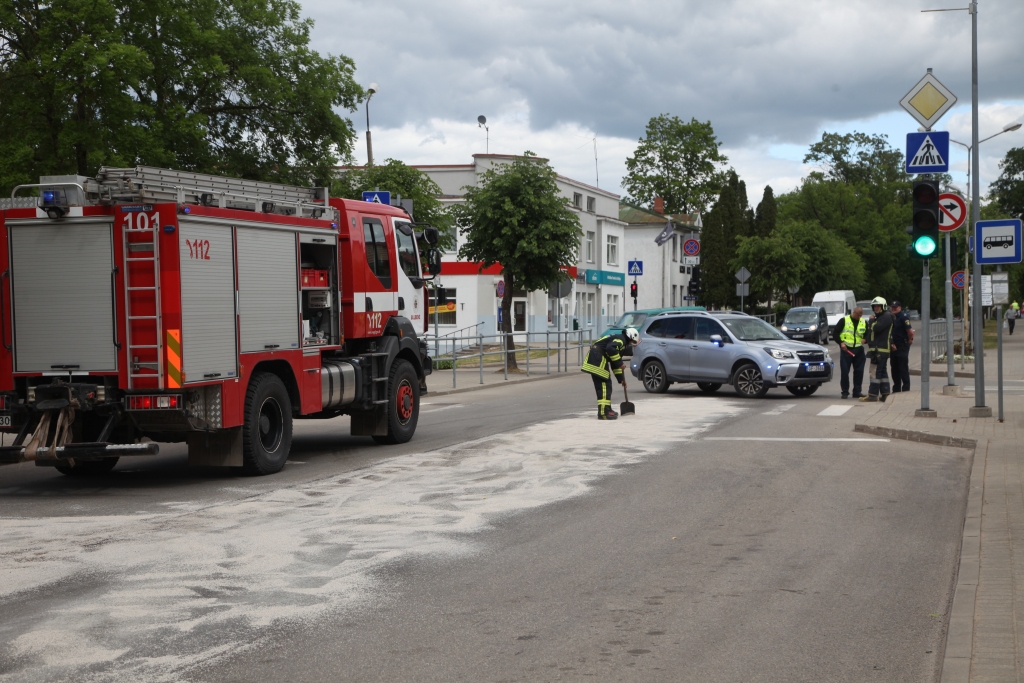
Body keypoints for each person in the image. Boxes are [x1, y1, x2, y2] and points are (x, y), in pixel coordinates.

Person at [582, 326, 639, 420]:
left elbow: (614, 363)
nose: (630, 344)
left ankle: (607, 409)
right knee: (604, 385)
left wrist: (621, 379)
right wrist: (620, 363)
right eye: (632, 342)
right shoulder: (621, 340)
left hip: (596, 358)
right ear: (630, 337)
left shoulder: (618, 341)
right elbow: (610, 349)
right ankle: (603, 413)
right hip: (597, 359)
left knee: (606, 385)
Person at [861, 297, 894, 402]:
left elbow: (877, 328)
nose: (876, 308)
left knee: (874, 372)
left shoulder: (885, 317)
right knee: (882, 372)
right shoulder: (881, 317)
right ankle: (885, 394)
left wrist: (871, 321)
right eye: (875, 306)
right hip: (879, 349)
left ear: (883, 306)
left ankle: (873, 394)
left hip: (879, 350)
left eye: (878, 306)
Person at [832, 306, 866, 399]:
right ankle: (845, 392)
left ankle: (857, 391)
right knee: (845, 371)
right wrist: (841, 343)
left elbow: (868, 333)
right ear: (854, 312)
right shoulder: (844, 320)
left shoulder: (863, 322)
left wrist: (865, 339)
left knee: (859, 371)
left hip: (859, 349)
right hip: (846, 350)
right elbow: (835, 333)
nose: (859, 317)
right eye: (858, 315)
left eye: (861, 315)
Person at [889, 300, 915, 392]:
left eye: (895, 307)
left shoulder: (903, 317)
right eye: (892, 307)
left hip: (902, 345)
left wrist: (910, 340)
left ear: (900, 308)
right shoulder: (891, 317)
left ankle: (906, 388)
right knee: (894, 367)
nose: (894, 309)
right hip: (893, 346)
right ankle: (896, 388)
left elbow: (910, 332)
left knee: (902, 367)